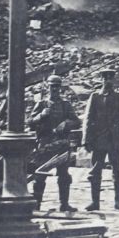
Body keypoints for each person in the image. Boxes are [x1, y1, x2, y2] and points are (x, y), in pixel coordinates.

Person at [82, 67, 119, 211]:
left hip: (115, 139)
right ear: (101, 80)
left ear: (114, 80)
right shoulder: (95, 97)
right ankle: (95, 202)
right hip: (99, 139)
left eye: (110, 78)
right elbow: (88, 118)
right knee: (96, 171)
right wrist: (86, 139)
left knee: (117, 171)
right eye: (105, 78)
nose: (108, 81)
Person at [29, 74, 80, 212]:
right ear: (48, 87)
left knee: (64, 176)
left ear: (60, 88)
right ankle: (37, 204)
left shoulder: (65, 105)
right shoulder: (41, 104)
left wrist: (66, 123)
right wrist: (41, 116)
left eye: (57, 87)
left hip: (62, 144)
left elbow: (77, 121)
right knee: (40, 175)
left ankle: (64, 204)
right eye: (52, 87)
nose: (55, 89)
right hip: (45, 144)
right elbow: (30, 124)